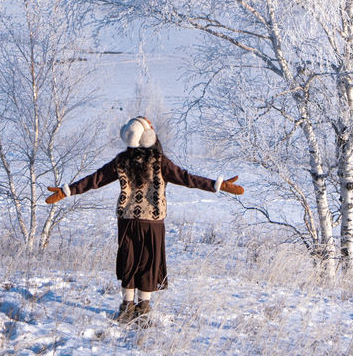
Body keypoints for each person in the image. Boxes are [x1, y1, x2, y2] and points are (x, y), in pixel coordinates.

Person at [45, 116, 243, 322]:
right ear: (149, 136)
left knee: (128, 260)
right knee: (149, 261)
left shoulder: (120, 161)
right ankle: (143, 307)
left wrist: (67, 191)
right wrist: (216, 185)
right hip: (153, 221)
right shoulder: (160, 162)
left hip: (127, 220)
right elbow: (187, 178)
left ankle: (126, 306)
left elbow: (95, 180)